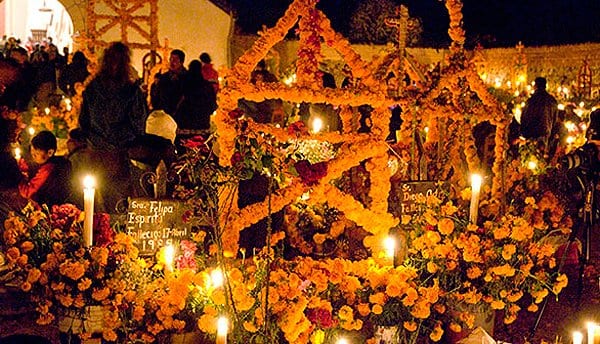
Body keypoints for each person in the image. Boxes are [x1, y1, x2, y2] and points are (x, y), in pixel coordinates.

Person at [79, 41, 148, 212]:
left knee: (95, 198)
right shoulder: (130, 91)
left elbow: (84, 122)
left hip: (99, 150)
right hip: (116, 153)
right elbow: (138, 124)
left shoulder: (94, 89)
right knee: (114, 199)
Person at [18, 131, 72, 207]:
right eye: (32, 152)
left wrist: (19, 177)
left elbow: (27, 192)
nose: (33, 156)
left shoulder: (49, 168)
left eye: (36, 154)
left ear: (50, 152)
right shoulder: (51, 163)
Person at [174, 60, 217, 137]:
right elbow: (213, 105)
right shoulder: (207, 86)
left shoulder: (181, 84)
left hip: (184, 124)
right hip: (202, 124)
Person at [519, 77, 558, 154]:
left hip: (533, 134)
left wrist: (523, 133)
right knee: (543, 157)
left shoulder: (532, 100)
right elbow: (555, 119)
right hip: (547, 134)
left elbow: (524, 118)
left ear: (535, 86)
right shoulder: (552, 101)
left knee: (532, 156)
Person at [150, 49, 187, 116]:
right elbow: (157, 96)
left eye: (175, 60)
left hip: (182, 117)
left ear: (181, 62)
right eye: (171, 59)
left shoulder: (188, 78)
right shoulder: (164, 78)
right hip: (165, 116)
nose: (172, 62)